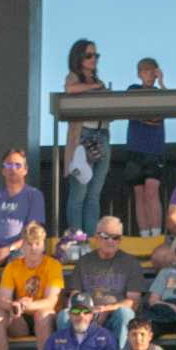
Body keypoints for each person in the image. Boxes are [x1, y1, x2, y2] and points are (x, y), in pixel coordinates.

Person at [0, 150, 48, 330]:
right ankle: (3, 295)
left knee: (16, 269)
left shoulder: (34, 195)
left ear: (25, 170)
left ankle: (6, 303)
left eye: (17, 165)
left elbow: (32, 232)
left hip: (20, 247)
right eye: (8, 165)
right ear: (2, 170)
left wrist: (9, 249)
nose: (12, 169)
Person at [0, 222, 64, 350]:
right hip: (21, 317)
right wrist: (15, 305)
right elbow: (2, 300)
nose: (33, 247)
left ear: (43, 245)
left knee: (42, 314)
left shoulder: (53, 265)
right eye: (29, 243)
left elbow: (51, 301)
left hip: (46, 320)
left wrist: (27, 304)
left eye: (37, 243)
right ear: (23, 246)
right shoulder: (13, 266)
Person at [67, 216, 148, 340]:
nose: (111, 241)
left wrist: (106, 309)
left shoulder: (131, 263)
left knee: (125, 313)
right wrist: (86, 312)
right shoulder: (83, 262)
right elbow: (75, 295)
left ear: (120, 240)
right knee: (64, 316)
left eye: (115, 237)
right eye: (105, 236)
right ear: (97, 237)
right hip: (86, 314)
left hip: (115, 316)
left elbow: (133, 302)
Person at [61, 38, 112, 234]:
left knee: (94, 193)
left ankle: (91, 238)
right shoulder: (74, 76)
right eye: (89, 55)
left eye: (96, 55)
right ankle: (75, 237)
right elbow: (69, 89)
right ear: (79, 58)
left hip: (102, 134)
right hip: (82, 137)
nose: (94, 59)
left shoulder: (98, 81)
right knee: (79, 192)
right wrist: (95, 88)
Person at [124, 56, 171, 236]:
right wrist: (148, 117)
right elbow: (133, 111)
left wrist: (162, 82)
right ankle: (144, 235)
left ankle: (156, 233)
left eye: (153, 71)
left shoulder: (160, 93)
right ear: (139, 74)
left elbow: (169, 106)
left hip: (155, 150)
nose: (149, 74)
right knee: (139, 193)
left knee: (152, 191)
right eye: (145, 71)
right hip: (135, 148)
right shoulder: (133, 90)